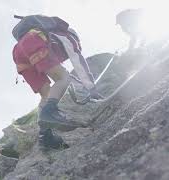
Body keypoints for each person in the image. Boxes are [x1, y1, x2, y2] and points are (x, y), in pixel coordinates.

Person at [12, 15, 102, 150]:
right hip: (34, 41)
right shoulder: (68, 36)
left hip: (19, 52)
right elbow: (77, 60)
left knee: (46, 95)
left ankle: (45, 137)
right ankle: (50, 112)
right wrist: (91, 88)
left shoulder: (49, 35)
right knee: (63, 78)